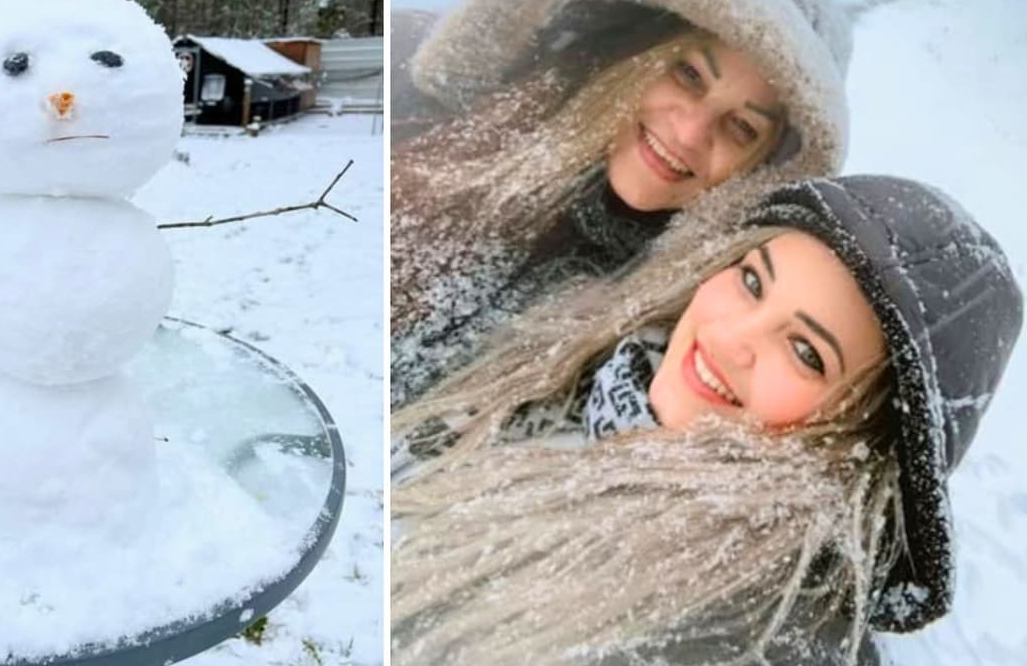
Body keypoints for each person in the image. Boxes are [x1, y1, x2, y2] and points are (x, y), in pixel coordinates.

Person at [390, 175, 1023, 665]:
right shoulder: (579, 364)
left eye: (806, 353)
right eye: (752, 281)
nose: (730, 337)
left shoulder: (734, 630)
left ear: (865, 441)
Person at [391, 0, 853, 407]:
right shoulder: (408, 91)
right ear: (636, 51)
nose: (690, 132)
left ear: (760, 171)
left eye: (741, 128)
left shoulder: (673, 346)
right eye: (689, 75)